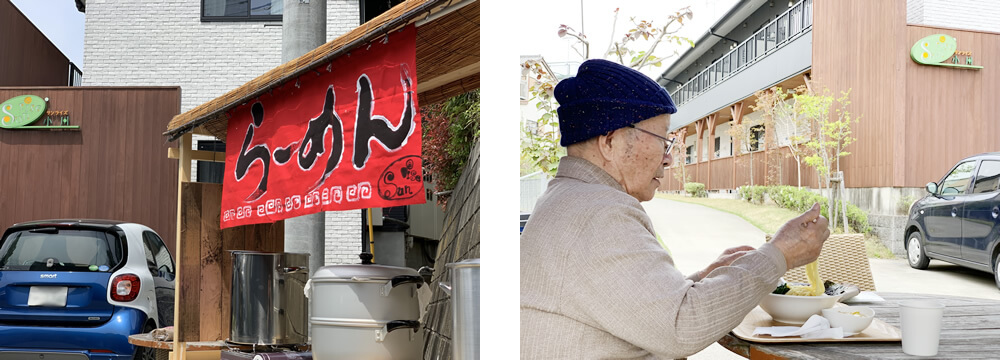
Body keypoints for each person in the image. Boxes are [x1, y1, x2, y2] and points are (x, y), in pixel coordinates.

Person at [520, 59, 830, 359]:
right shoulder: (599, 211)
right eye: (661, 141)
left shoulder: (569, 198)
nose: (668, 158)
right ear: (610, 142)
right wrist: (779, 254)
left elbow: (634, 306)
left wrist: (697, 280)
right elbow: (681, 326)